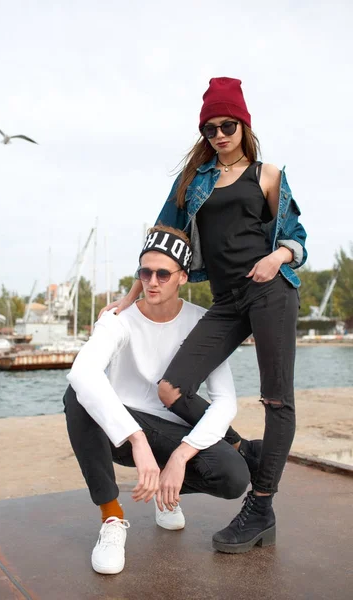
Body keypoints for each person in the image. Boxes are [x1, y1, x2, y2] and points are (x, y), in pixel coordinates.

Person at [103, 78, 307, 554]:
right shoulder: (193, 182)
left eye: (228, 125)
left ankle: (261, 506)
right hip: (226, 299)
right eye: (210, 127)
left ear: (244, 124)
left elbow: (296, 237)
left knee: (277, 401)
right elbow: (162, 235)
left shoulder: (268, 175)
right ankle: (241, 450)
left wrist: (276, 258)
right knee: (172, 387)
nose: (219, 134)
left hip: (270, 291)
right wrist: (132, 294)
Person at [64, 225, 261, 575]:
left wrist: (182, 456)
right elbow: (82, 372)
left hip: (174, 433)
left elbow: (225, 400)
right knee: (77, 395)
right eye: (145, 272)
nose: (152, 281)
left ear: (182, 277)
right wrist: (136, 439)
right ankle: (111, 519)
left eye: (163, 273)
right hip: (121, 434)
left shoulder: (202, 321)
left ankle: (166, 492)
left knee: (233, 476)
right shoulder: (118, 320)